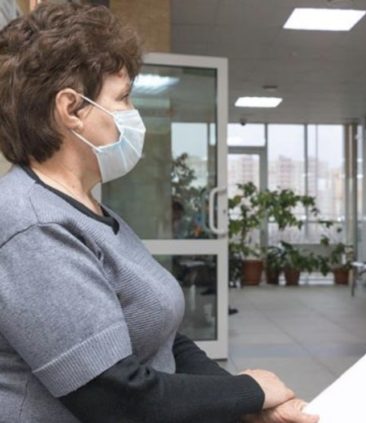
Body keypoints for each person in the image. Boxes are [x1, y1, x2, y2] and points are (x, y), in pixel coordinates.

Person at [0, 4, 317, 422]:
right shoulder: (32, 225)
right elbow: (115, 397)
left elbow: (165, 339)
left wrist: (247, 405)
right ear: (72, 110)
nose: (133, 113)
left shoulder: (91, 210)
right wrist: (252, 391)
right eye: (122, 97)